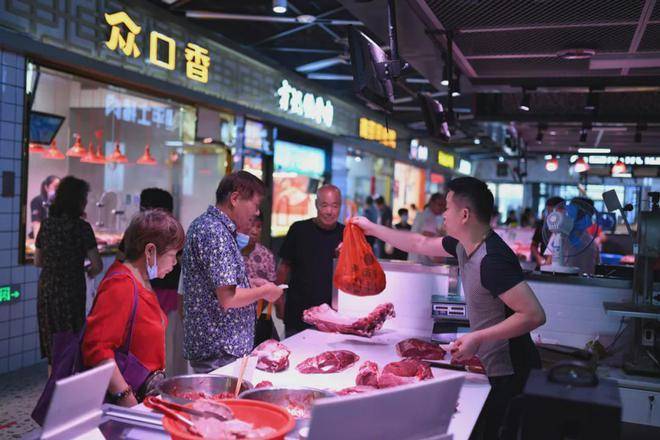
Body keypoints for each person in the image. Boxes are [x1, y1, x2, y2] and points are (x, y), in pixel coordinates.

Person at [352, 177, 546, 440]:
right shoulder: (464, 245)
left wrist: (477, 337)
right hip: (492, 366)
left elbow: (534, 314)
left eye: (447, 207)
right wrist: (372, 229)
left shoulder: (492, 260)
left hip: (511, 371)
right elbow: (419, 244)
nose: (443, 214)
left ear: (464, 215)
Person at [182, 171, 283, 373]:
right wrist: (264, 292)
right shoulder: (215, 231)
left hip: (220, 351)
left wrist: (250, 283)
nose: (256, 213)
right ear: (235, 199)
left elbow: (216, 285)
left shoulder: (210, 226)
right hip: (219, 352)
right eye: (255, 205)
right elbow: (228, 298)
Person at [82, 210, 184, 406]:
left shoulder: (142, 279)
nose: (174, 262)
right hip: (126, 401)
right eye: (172, 255)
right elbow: (98, 349)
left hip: (145, 394)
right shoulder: (121, 284)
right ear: (150, 251)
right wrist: (127, 399)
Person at [34, 176, 102, 371]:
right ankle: (67, 384)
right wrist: (87, 270)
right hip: (71, 291)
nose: (86, 201)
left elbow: (38, 261)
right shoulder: (82, 228)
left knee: (52, 343)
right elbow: (97, 265)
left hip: (48, 290)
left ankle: (53, 382)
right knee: (70, 341)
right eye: (84, 197)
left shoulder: (47, 225)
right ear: (77, 200)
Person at [275, 185, 344, 337]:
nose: (329, 211)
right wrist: (279, 302)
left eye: (335, 206)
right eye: (324, 205)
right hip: (298, 314)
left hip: (334, 316)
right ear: (316, 205)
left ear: (340, 206)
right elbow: (283, 268)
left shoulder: (346, 234)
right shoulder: (299, 230)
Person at [242, 213, 278, 345]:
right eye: (252, 226)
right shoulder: (230, 253)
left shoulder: (266, 255)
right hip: (235, 318)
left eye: (259, 227)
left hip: (261, 316)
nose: (255, 231)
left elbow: (273, 286)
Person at [408, 193, 446, 264]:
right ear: (431, 203)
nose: (442, 208)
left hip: (417, 260)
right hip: (422, 262)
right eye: (440, 205)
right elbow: (429, 242)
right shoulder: (429, 218)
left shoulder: (423, 215)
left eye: (444, 206)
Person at [531, 197, 564, 269]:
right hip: (544, 266)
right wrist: (538, 258)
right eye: (548, 212)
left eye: (552, 212)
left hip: (559, 268)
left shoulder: (564, 231)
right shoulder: (542, 225)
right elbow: (534, 245)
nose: (550, 215)